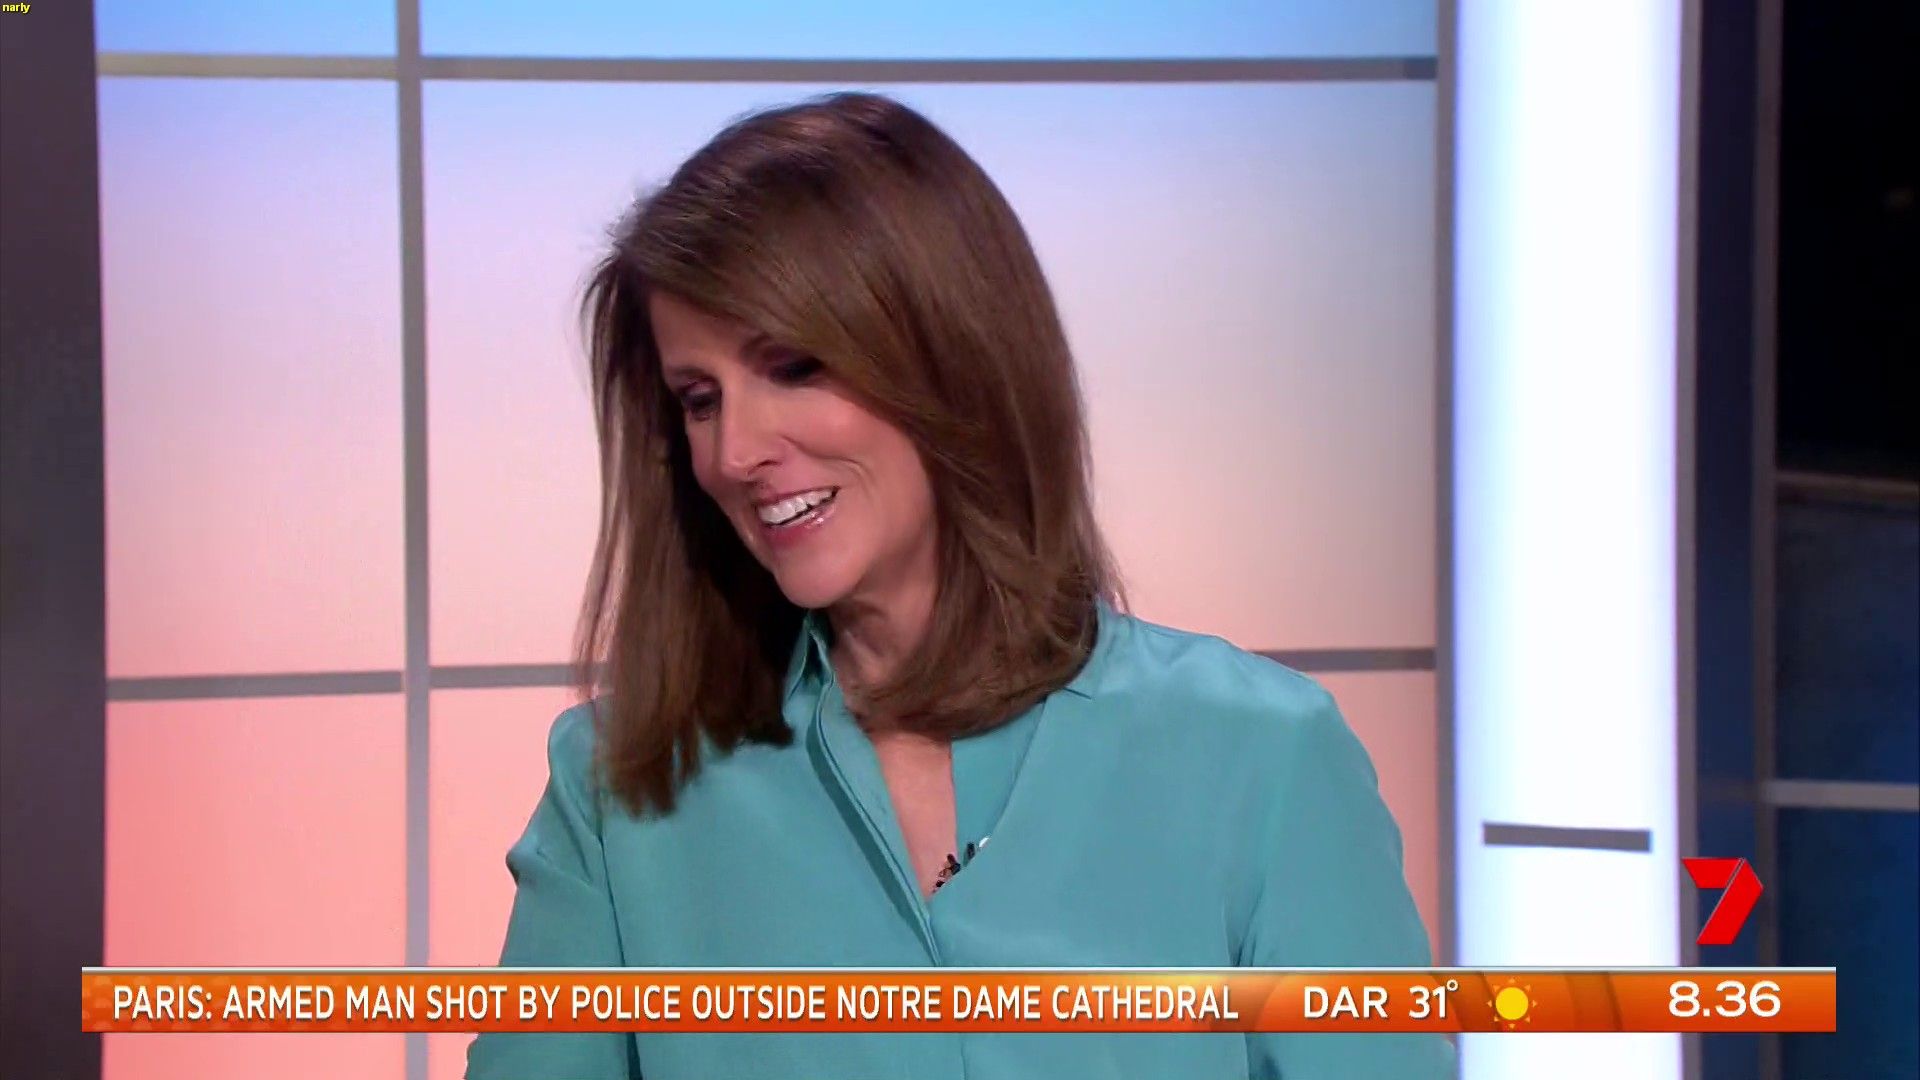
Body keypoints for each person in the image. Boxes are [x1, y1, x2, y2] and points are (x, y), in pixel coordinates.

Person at [467, 90, 1453, 1080]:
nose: (736, 451)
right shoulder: (621, 792)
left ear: (952, 357)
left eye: (795, 367)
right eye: (699, 399)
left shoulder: (1263, 760)